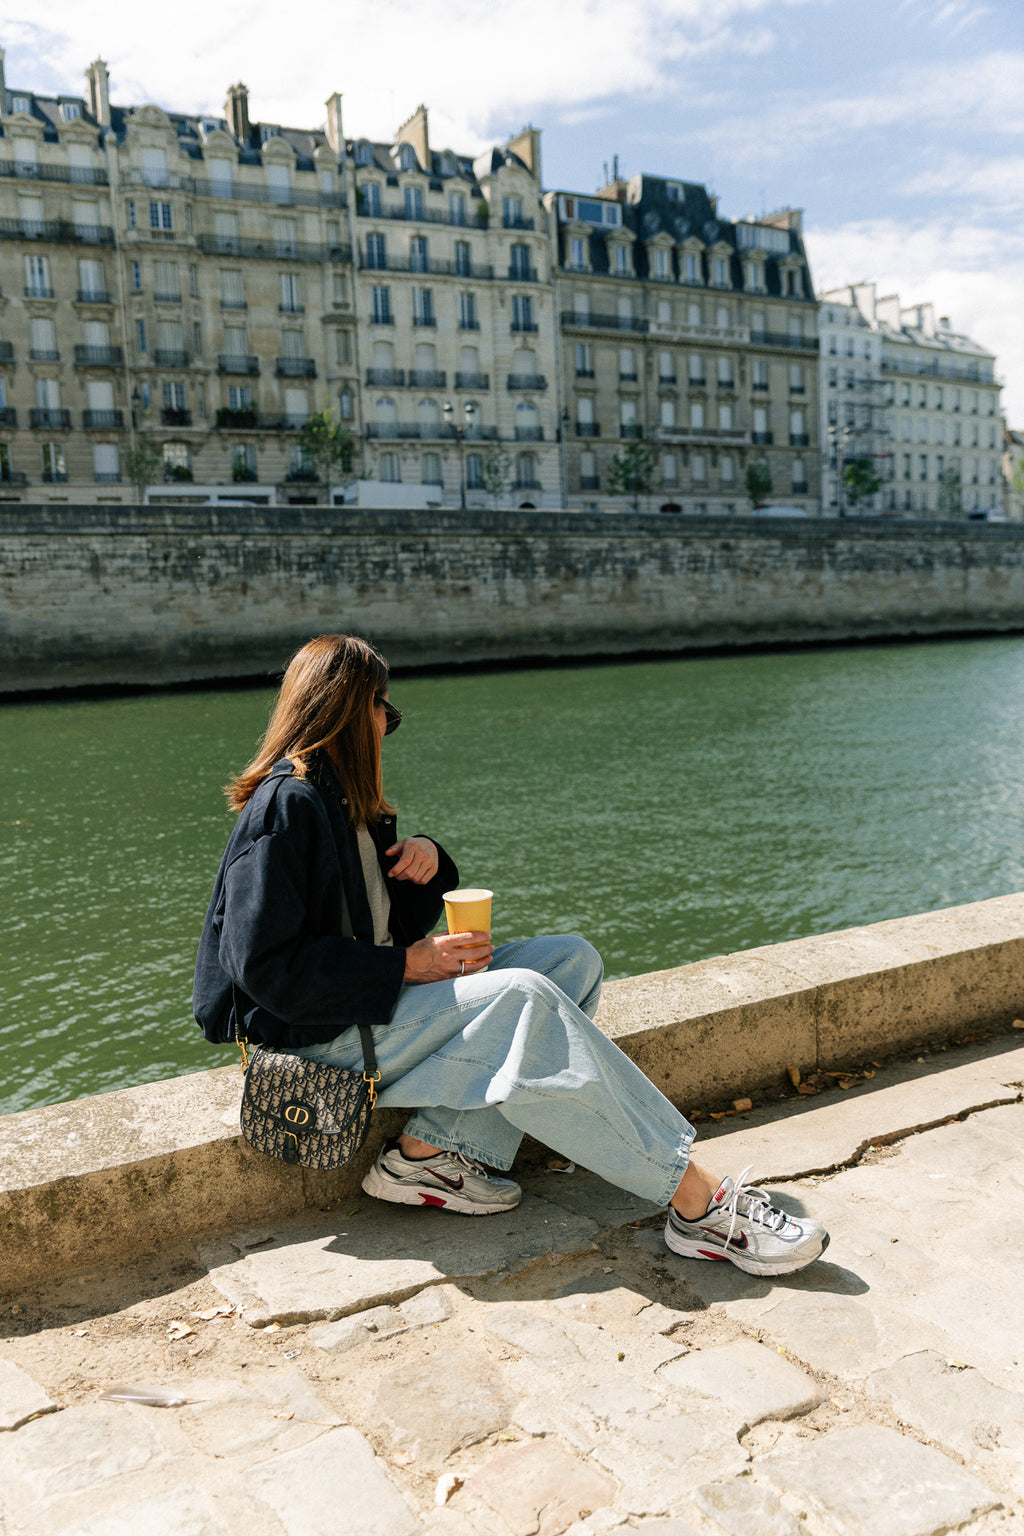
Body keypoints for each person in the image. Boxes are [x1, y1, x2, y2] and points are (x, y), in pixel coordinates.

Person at [194, 634, 829, 1276]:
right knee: (522, 995)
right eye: (384, 708)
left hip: (361, 1011)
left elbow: (378, 927)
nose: (390, 725)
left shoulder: (346, 804)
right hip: (316, 1041)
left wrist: (432, 867)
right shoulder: (287, 807)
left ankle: (433, 1155)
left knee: (569, 961)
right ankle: (700, 1206)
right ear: (349, 709)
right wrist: (409, 967)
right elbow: (267, 969)